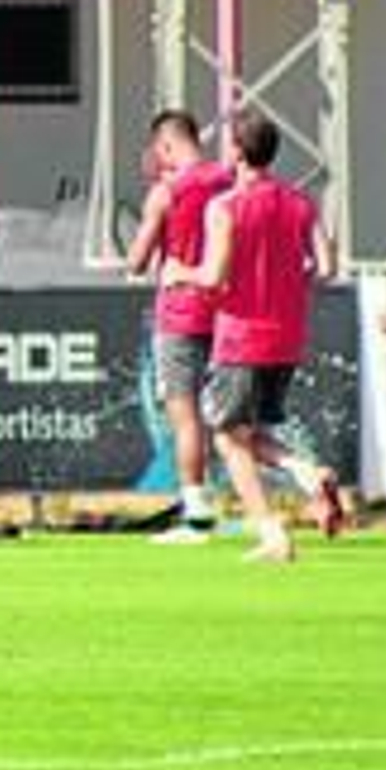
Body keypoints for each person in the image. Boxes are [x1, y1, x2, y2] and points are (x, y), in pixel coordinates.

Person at [163, 108, 343, 562]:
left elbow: (214, 276)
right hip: (287, 336)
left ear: (237, 151)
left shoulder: (224, 207)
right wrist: (286, 282)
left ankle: (272, 533)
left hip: (241, 336)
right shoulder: (301, 203)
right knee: (247, 433)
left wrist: (179, 271)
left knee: (225, 437)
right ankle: (306, 473)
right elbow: (326, 268)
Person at [125, 109, 233, 545]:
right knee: (229, 419)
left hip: (181, 312)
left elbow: (136, 262)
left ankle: (196, 511)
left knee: (184, 416)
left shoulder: (166, 192)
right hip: (227, 311)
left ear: (165, 146)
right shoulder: (228, 181)